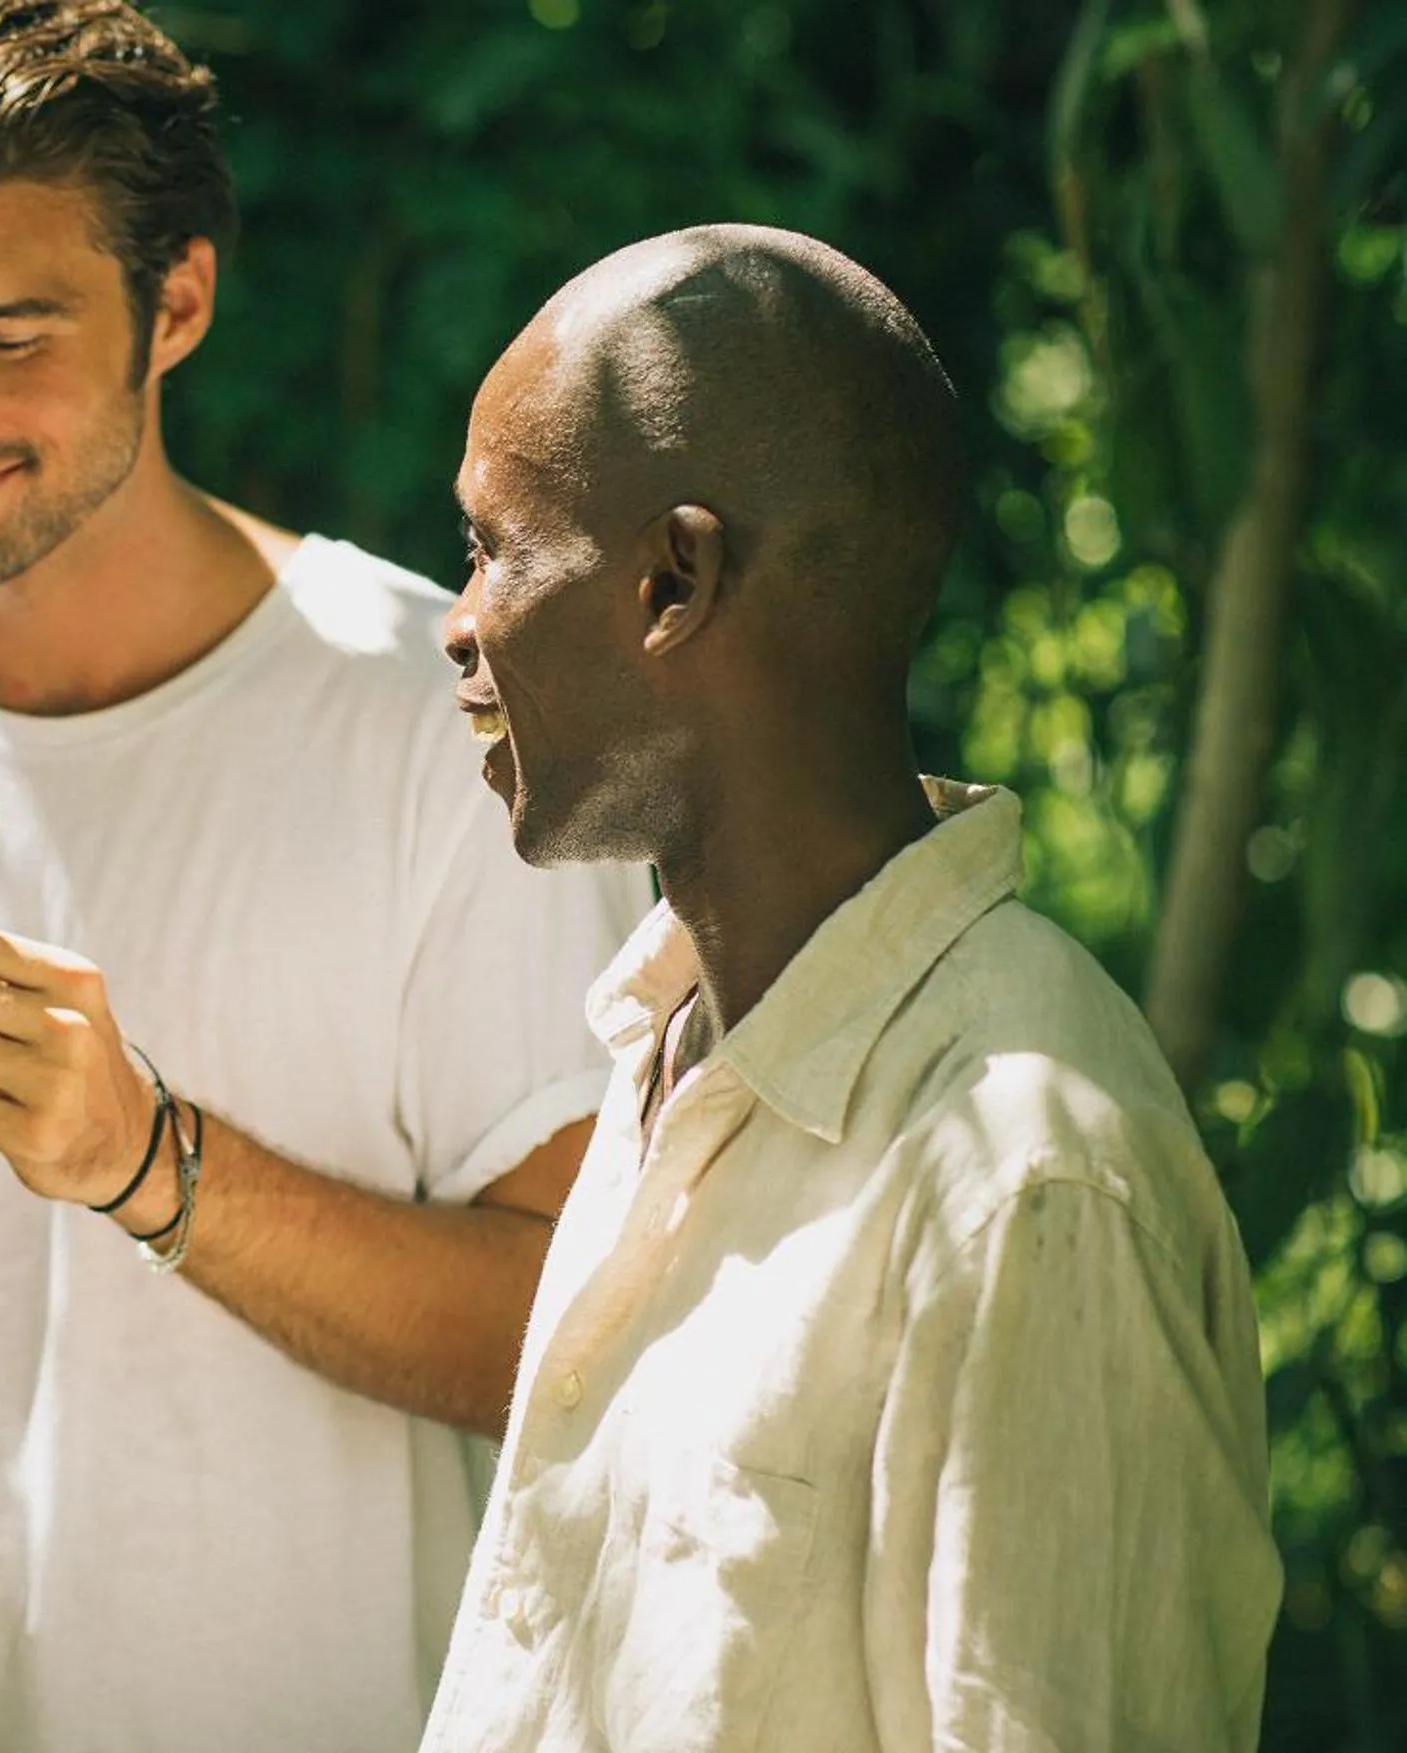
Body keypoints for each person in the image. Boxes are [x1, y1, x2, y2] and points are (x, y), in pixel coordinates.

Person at [0, 4, 650, 1748]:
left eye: (8, 334)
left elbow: (580, 1339)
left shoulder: (445, 730)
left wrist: (150, 1165)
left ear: (178, 305)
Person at [421, 224, 1281, 1751]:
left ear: (672, 580)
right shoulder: (679, 1043)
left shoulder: (1030, 1181)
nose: (459, 621)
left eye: (495, 548)